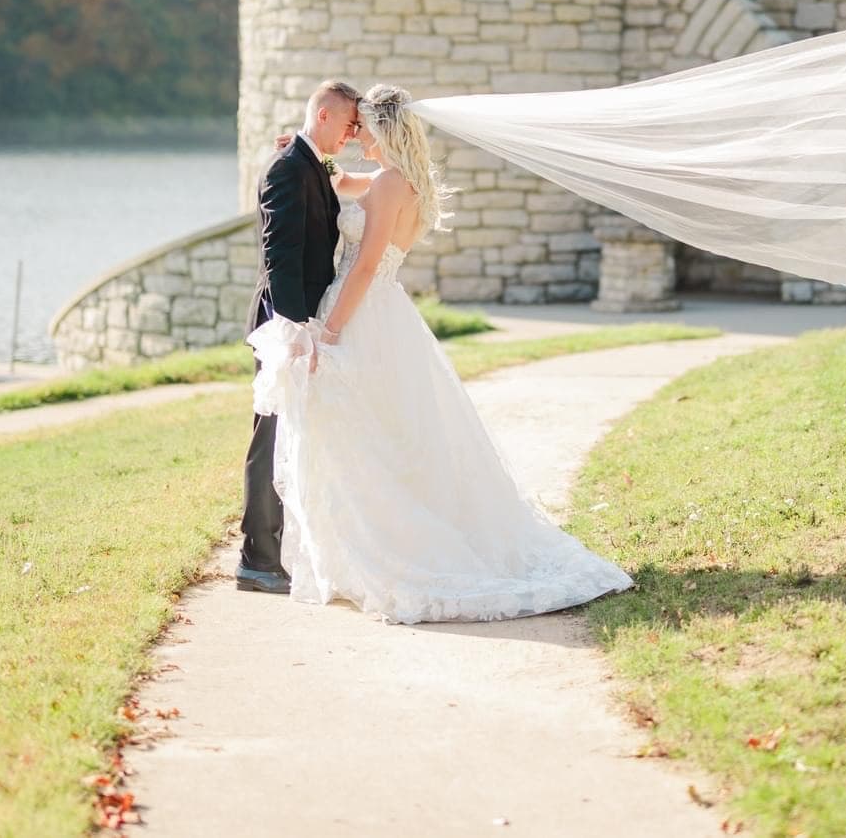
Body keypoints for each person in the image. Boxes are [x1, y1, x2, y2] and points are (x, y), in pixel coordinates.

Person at [248, 83, 631, 624]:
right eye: (351, 126)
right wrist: (308, 156)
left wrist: (329, 332)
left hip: (359, 311)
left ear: (383, 130)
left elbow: (362, 266)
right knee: (388, 430)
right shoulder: (403, 182)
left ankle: (385, 547)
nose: (356, 135)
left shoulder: (386, 186)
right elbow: (342, 182)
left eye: (363, 127)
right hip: (386, 312)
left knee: (363, 434)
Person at [235, 79, 359, 595]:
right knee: (271, 439)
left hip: (303, 322)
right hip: (284, 327)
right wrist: (295, 333)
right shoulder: (288, 170)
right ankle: (257, 559)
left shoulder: (311, 162)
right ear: (324, 116)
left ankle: (280, 552)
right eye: (350, 124)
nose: (353, 134)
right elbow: (278, 260)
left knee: (293, 438)